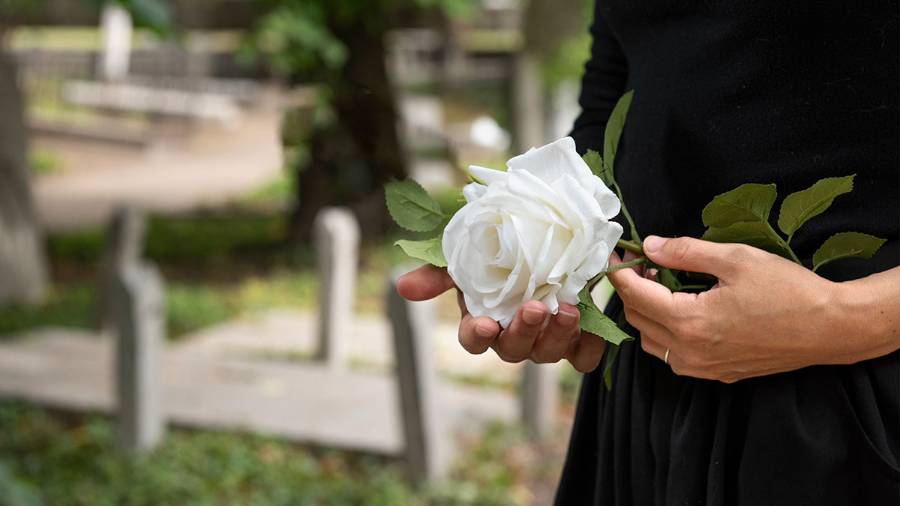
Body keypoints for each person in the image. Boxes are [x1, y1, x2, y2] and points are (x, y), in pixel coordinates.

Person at [397, 0, 900, 503]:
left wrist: (848, 320)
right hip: (654, 385)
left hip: (863, 400)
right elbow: (616, 93)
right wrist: (519, 243)